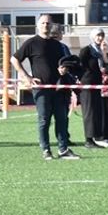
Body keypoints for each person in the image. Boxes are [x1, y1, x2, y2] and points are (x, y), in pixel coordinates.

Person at [10, 15, 78, 161]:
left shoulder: (57, 45)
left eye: (48, 23)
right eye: (43, 23)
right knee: (44, 119)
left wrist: (63, 70)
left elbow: (63, 63)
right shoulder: (31, 43)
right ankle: (46, 150)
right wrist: (26, 76)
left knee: (62, 119)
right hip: (41, 89)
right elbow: (14, 59)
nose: (45, 25)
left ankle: (63, 149)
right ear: (38, 25)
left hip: (58, 88)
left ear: (51, 25)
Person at [78, 28, 108, 148]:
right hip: (87, 85)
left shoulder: (100, 52)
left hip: (97, 85)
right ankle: (88, 140)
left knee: (96, 113)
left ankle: (95, 138)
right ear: (93, 36)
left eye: (101, 35)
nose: (100, 38)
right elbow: (79, 66)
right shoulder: (86, 50)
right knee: (89, 112)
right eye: (98, 35)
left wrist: (104, 56)